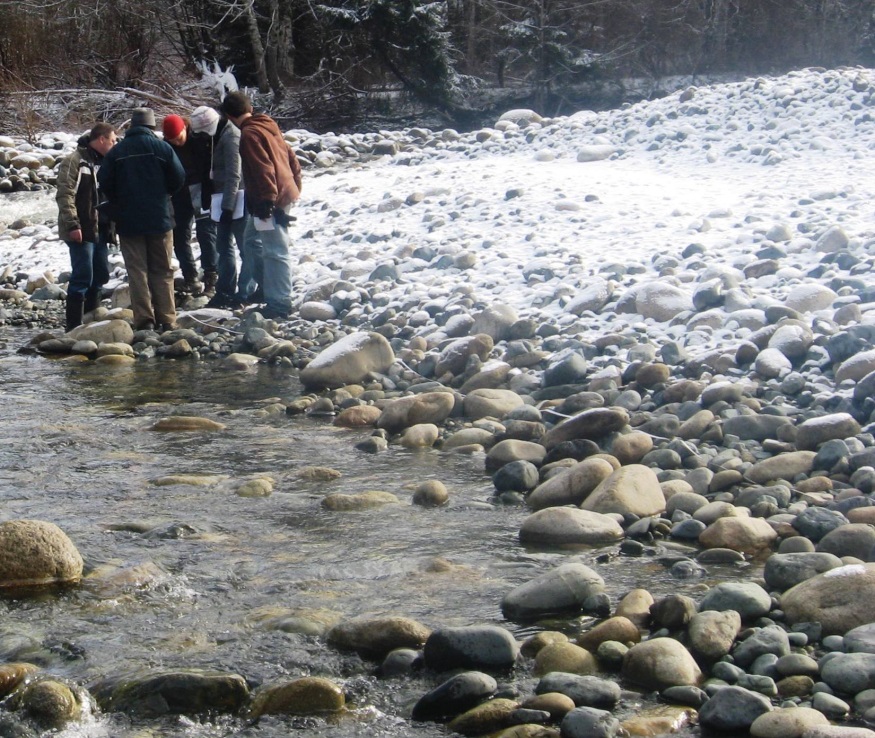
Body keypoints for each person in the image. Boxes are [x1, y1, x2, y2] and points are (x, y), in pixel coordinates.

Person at [97, 107, 185, 332]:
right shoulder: (162, 148)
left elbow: (104, 181)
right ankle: (167, 318)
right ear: (152, 126)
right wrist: (164, 194)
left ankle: (144, 320)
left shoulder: (117, 152)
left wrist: (118, 199)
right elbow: (179, 177)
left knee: (137, 271)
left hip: (128, 221)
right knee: (163, 270)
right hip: (160, 218)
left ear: (132, 126)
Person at [220, 91, 302, 319]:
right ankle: (268, 289)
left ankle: (280, 303)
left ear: (228, 115)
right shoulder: (267, 124)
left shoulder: (249, 134)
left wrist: (268, 202)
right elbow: (291, 157)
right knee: (250, 241)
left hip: (268, 200)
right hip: (280, 194)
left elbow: (262, 168)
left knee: (275, 250)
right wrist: (295, 186)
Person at [55, 122, 118, 331]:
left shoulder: (109, 161)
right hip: (82, 227)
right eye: (112, 140)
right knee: (83, 275)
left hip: (102, 227)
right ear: (101, 140)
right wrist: (73, 224)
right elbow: (65, 194)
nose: (115, 143)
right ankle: (73, 327)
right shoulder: (74, 161)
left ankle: (92, 323)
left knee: (100, 275)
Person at [162, 111, 219, 297]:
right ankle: (190, 277)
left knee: (206, 233)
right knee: (180, 236)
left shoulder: (199, 139)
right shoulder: (166, 146)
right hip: (180, 192)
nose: (177, 142)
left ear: (185, 128)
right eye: (172, 140)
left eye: (178, 138)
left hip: (202, 190)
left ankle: (211, 277)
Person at [197, 108, 249, 308]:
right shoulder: (216, 136)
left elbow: (234, 175)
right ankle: (225, 290)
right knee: (223, 247)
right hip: (221, 199)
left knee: (244, 248)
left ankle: (245, 292)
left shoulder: (231, 137)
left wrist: (227, 207)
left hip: (236, 200)